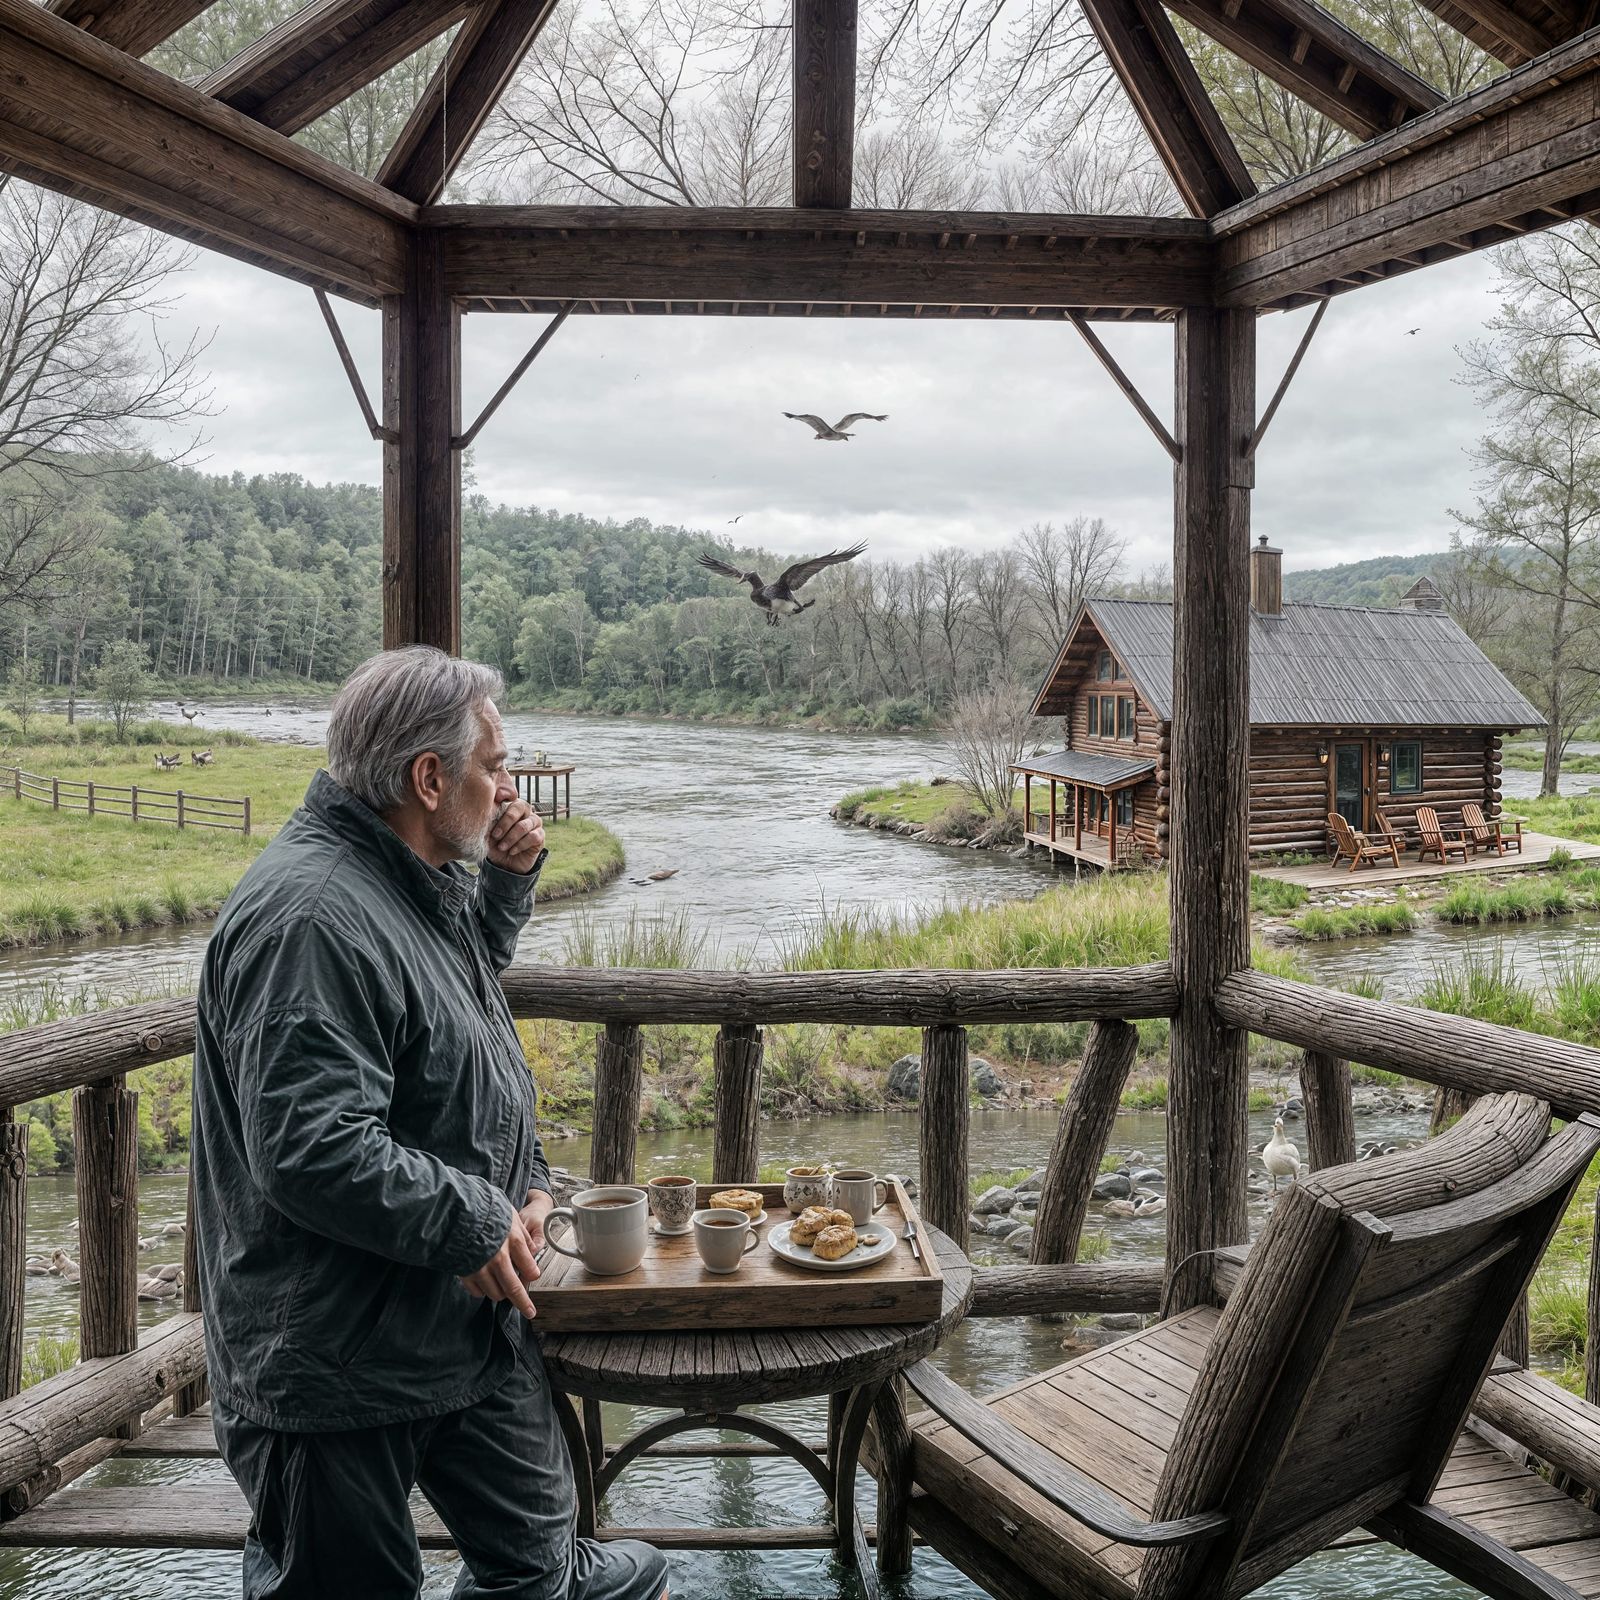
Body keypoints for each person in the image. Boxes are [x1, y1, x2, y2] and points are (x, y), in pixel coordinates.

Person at [192, 646, 668, 1600]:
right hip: (332, 1360)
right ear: (427, 776)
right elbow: (311, 1147)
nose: (507, 786)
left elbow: (447, 1014)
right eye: (493, 766)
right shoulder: (312, 920)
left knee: (545, 1573)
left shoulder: (405, 877)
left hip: (458, 1326)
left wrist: (525, 1179)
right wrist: (474, 1218)